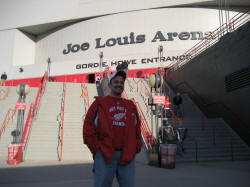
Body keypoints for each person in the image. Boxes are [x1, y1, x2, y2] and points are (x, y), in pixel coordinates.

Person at [83, 70, 142, 187]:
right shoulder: (99, 104)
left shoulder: (131, 106)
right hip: (105, 154)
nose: (119, 84)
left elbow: (137, 128)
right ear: (109, 85)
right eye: (116, 82)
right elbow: (87, 128)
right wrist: (97, 149)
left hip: (127, 155)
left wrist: (136, 146)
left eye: (121, 82)